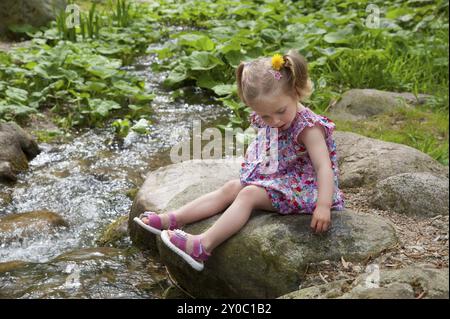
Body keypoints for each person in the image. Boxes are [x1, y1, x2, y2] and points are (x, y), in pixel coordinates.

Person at [134, 50, 345, 271]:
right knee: (232, 187)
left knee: (248, 194)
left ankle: (202, 246)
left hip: (306, 191)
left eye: (280, 111)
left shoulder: (308, 128)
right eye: (265, 116)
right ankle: (173, 219)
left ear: (296, 91)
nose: (274, 121)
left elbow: (324, 167)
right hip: (282, 180)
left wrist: (323, 205)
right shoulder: (273, 114)